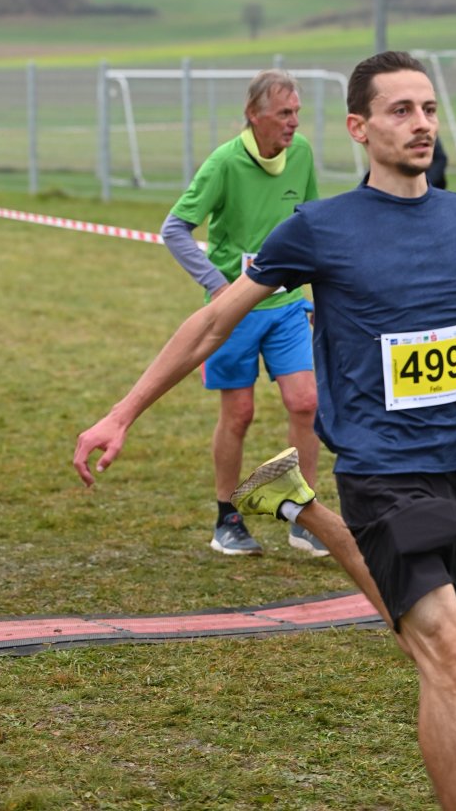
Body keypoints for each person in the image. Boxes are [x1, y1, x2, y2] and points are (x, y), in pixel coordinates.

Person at [74, 50, 456, 811]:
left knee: (429, 646)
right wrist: (121, 412)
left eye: (428, 108)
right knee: (448, 654)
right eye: (400, 110)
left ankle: (298, 506)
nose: (420, 123)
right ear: (358, 127)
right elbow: (214, 322)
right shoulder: (319, 228)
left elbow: (455, 336)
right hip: (382, 469)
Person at [159, 69, 326, 557]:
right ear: (254, 115)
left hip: (287, 304)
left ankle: (304, 515)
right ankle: (226, 518)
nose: (294, 122)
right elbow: (175, 229)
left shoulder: (302, 154)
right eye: (284, 113)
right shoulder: (225, 163)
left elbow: (312, 228)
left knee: (306, 402)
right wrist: (219, 287)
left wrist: (322, 294)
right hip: (234, 312)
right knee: (239, 413)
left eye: (296, 112)